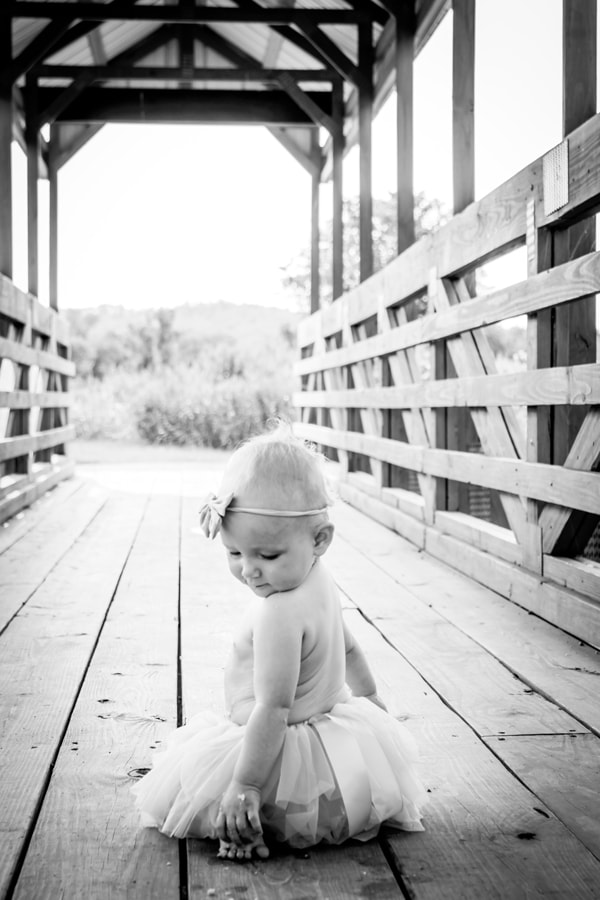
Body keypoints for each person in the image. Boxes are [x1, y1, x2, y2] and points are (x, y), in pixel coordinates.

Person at [133, 424, 425, 860]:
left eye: (267, 556)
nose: (249, 570)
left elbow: (275, 708)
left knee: (197, 794)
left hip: (274, 751)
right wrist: (371, 698)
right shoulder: (320, 579)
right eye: (235, 553)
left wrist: (246, 783)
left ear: (320, 539)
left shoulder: (278, 613)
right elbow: (348, 648)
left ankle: (248, 820)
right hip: (336, 740)